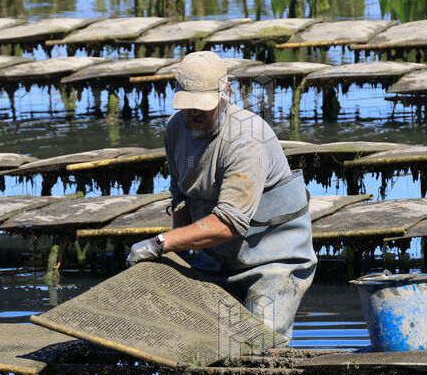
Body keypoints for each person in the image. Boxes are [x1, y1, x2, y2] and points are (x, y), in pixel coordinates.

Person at [127, 50, 316, 343]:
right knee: (202, 343)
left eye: (203, 106)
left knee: (260, 350)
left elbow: (229, 223)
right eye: (188, 106)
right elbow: (180, 197)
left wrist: (160, 243)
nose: (194, 113)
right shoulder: (176, 129)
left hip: (273, 260)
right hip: (215, 260)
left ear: (226, 93)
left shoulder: (247, 138)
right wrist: (178, 260)